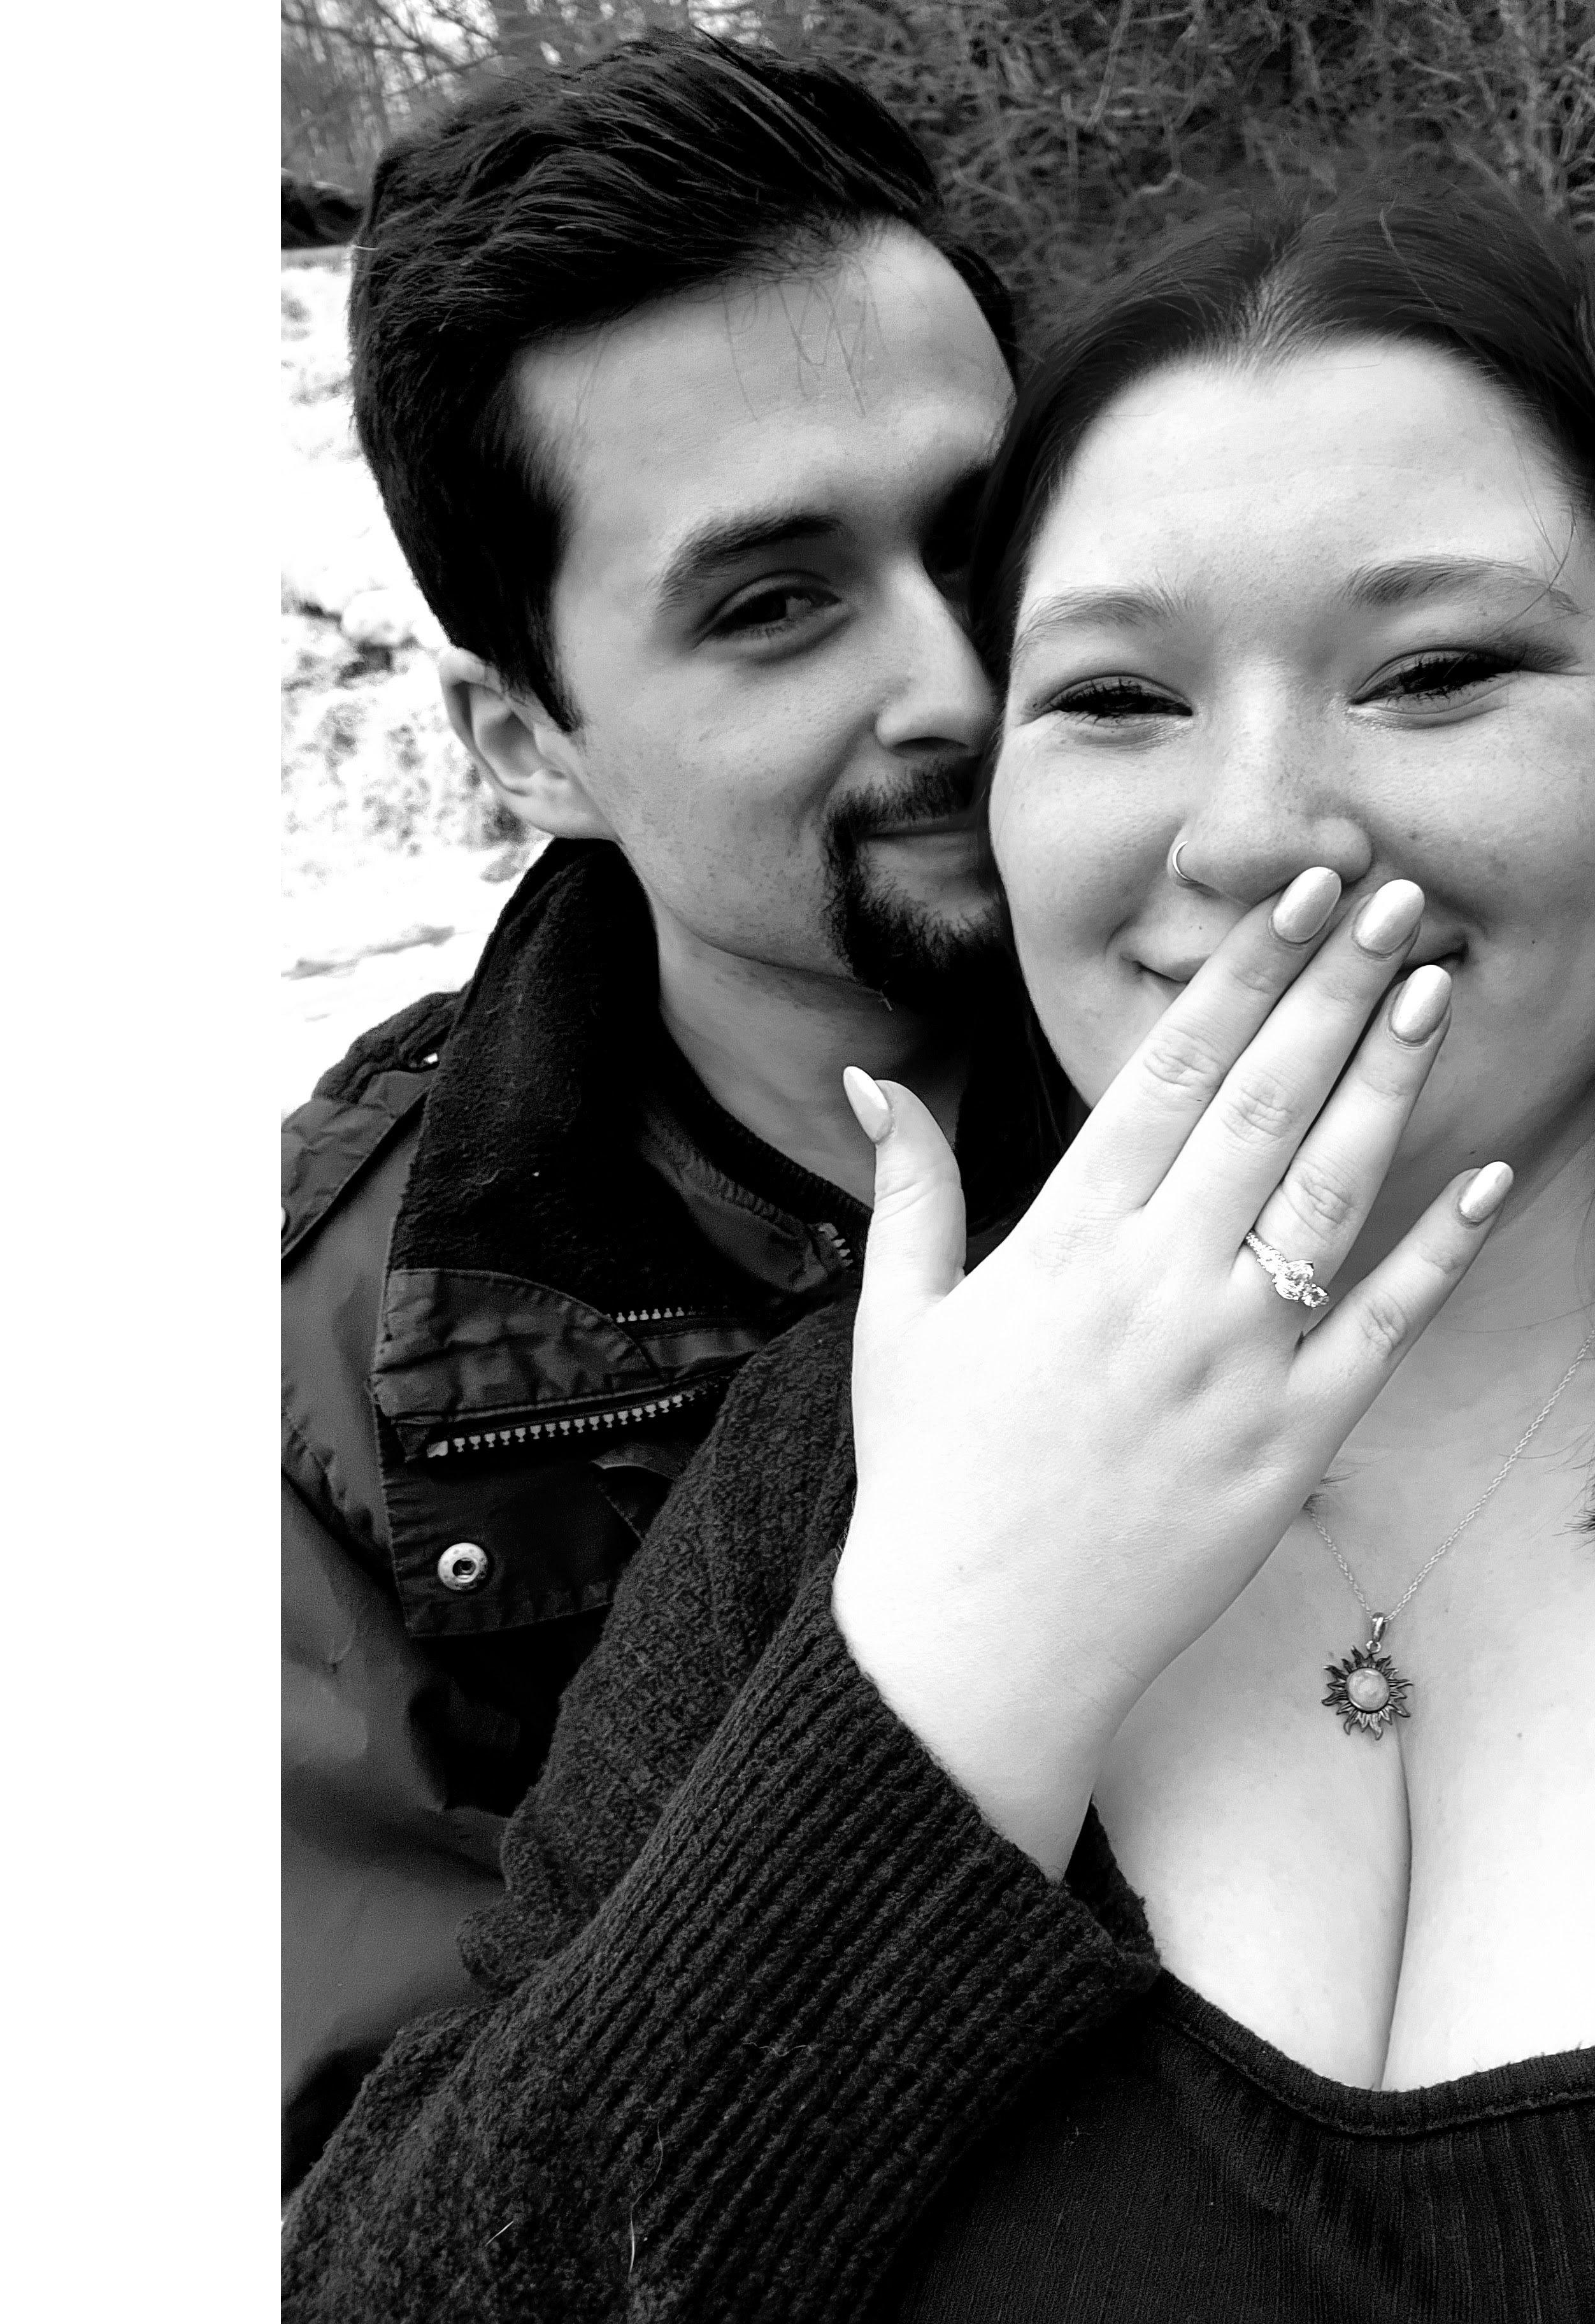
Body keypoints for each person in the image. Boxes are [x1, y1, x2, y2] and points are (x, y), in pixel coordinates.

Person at [283, 187, 1595, 2320]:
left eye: (1442, 668)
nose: (1258, 829)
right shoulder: (807, 1478)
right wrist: (940, 1679)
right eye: (1112, 695)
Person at [280, 32, 1052, 2191]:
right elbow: (356, 2223)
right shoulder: (323, 1397)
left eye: (987, 537)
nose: (966, 687)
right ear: (525, 742)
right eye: (775, 601)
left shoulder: (1372, 1056)